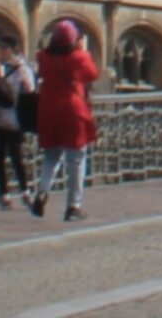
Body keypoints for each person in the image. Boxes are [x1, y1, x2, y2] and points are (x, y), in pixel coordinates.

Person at [31, 20, 98, 221]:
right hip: (72, 110)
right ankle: (73, 206)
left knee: (51, 156)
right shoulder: (78, 57)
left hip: (48, 109)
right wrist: (83, 51)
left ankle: (42, 191)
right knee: (76, 160)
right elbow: (92, 74)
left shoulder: (43, 56)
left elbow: (42, 73)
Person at [0, 34, 36, 208]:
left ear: (11, 49)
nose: (1, 52)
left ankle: (24, 191)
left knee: (16, 156)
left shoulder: (21, 68)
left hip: (14, 118)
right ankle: (4, 194)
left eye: (3, 48)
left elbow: (30, 89)